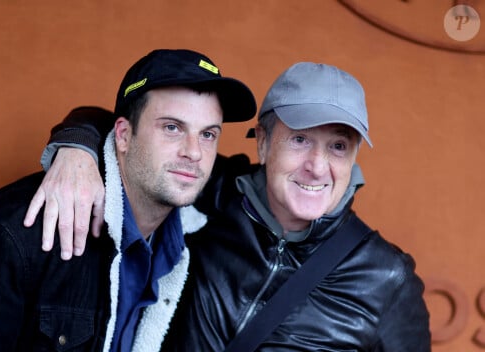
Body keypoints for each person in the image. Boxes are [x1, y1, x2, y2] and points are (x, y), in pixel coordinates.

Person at [24, 62, 431, 350]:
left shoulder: (387, 277)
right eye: (300, 140)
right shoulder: (213, 194)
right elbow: (133, 134)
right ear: (264, 143)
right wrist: (75, 147)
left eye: (338, 146)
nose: (317, 167)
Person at [0, 49, 257, 351]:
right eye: (171, 128)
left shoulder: (195, 238)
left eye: (208, 134)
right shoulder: (7, 238)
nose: (194, 152)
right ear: (122, 135)